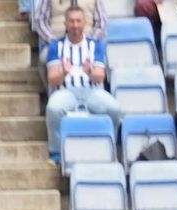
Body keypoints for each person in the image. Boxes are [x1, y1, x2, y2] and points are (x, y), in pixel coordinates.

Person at [44, 6, 124, 165]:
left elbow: (100, 75)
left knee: (114, 109)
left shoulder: (95, 46)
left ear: (85, 23)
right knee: (53, 109)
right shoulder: (55, 46)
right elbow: (52, 79)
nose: (75, 25)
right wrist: (63, 73)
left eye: (78, 21)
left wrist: (90, 72)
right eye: (71, 21)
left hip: (91, 91)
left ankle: (110, 146)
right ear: (65, 23)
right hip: (66, 91)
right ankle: (56, 152)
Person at [32, 0, 107, 47]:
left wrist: (90, 42)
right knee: (45, 58)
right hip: (56, 44)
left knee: (99, 62)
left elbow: (101, 24)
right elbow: (40, 20)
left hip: (88, 44)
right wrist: (53, 41)